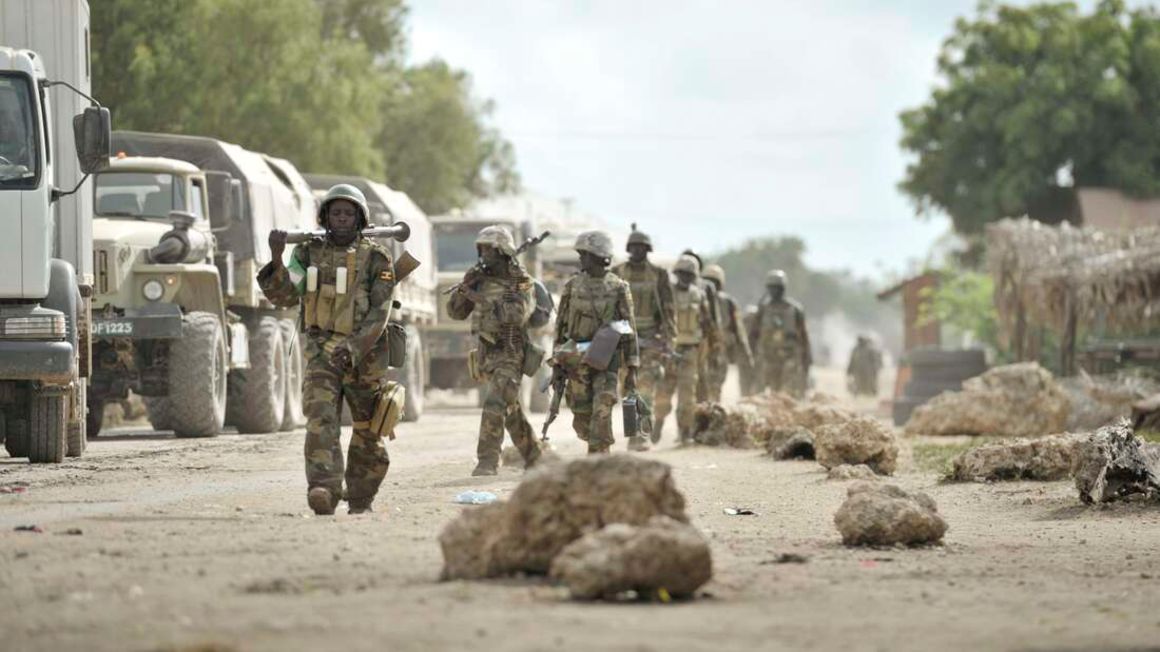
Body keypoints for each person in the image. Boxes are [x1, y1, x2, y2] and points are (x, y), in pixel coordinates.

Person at [259, 184, 397, 516]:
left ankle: (361, 495)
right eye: (336, 212)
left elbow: (381, 312)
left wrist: (354, 346)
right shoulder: (306, 253)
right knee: (320, 419)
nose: (342, 219)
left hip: (365, 356)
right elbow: (286, 296)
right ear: (325, 217)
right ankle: (323, 488)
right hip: (322, 351)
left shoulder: (377, 257)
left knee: (368, 428)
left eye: (349, 213)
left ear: (360, 218)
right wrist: (277, 257)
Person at [447, 225, 542, 476]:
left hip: (511, 350)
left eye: (490, 249)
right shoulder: (480, 278)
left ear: (503, 251)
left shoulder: (520, 281)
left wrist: (482, 300)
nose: (485, 254)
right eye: (482, 249)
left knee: (495, 401)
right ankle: (534, 456)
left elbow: (517, 315)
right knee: (509, 408)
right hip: (486, 353)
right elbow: (455, 313)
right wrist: (466, 288)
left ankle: (487, 461)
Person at [553, 231, 639, 454]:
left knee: (602, 410)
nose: (581, 258)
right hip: (576, 362)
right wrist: (557, 361)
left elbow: (629, 328)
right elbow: (560, 326)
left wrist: (633, 366)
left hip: (606, 360)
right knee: (582, 417)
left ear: (600, 256)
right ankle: (595, 445)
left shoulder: (619, 287)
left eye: (585, 254)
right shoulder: (572, 286)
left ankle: (599, 460)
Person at [611, 224, 676, 450]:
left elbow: (669, 310)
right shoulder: (617, 273)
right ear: (629, 248)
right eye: (634, 246)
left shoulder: (659, 274)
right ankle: (632, 435)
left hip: (650, 339)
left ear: (648, 249)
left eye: (642, 247)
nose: (638, 250)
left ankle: (642, 434)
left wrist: (669, 339)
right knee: (628, 390)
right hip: (624, 339)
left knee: (646, 387)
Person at [654, 255, 716, 444]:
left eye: (689, 275)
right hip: (669, 349)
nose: (685, 278)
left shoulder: (699, 295)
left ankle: (684, 431)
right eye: (682, 273)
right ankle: (658, 424)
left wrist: (708, 349)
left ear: (694, 276)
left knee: (687, 395)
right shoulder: (666, 293)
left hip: (690, 350)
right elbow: (658, 318)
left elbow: (707, 323)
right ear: (677, 273)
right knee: (664, 391)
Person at [751, 269, 811, 398]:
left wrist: (807, 359)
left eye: (777, 288)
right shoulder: (763, 309)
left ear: (783, 288)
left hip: (788, 358)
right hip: (767, 357)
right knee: (763, 395)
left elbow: (803, 336)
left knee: (787, 394)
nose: (774, 291)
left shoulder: (794, 309)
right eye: (771, 288)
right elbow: (754, 333)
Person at [702, 264, 753, 403]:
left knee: (714, 390)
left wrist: (746, 355)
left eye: (714, 282)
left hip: (719, 353)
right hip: (700, 351)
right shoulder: (697, 298)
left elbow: (739, 332)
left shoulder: (729, 303)